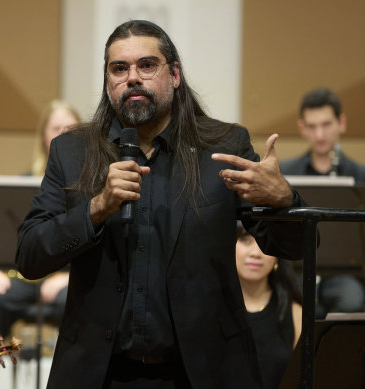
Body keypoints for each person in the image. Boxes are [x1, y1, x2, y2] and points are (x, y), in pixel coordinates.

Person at [16, 20, 306, 389]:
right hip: (100, 372)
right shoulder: (71, 151)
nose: (132, 77)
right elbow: (29, 255)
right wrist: (96, 208)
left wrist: (285, 200)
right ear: (108, 81)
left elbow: (293, 248)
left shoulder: (224, 147)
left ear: (174, 75)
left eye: (147, 65)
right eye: (119, 68)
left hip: (201, 372)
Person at [0, 100, 80, 389]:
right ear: (43, 135)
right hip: (28, 278)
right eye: (56, 128)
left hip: (70, 281)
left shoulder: (89, 183)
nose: (63, 134)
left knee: (87, 304)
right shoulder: (25, 183)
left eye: (71, 129)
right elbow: (5, 242)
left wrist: (65, 277)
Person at [280, 87, 365, 317]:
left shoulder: (363, 175)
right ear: (302, 128)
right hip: (297, 269)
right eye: (311, 126)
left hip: (344, 274)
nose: (319, 134)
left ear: (341, 123)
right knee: (284, 298)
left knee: (351, 301)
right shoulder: (285, 172)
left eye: (326, 124)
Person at [235, 226, 302, 389]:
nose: (256, 253)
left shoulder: (296, 313)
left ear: (278, 257)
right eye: (245, 240)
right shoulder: (211, 308)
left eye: (265, 243)